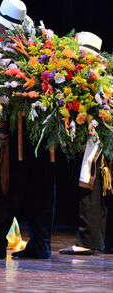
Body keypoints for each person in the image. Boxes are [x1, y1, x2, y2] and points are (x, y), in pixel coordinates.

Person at [0, 0, 56, 259]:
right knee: (39, 187)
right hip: (39, 129)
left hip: (13, 129)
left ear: (4, 28)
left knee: (3, 184)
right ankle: (40, 243)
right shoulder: (39, 53)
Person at [59, 32, 113, 255]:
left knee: (92, 184)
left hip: (100, 139)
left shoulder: (95, 76)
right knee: (102, 189)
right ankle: (103, 241)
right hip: (102, 138)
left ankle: (86, 241)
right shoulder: (104, 74)